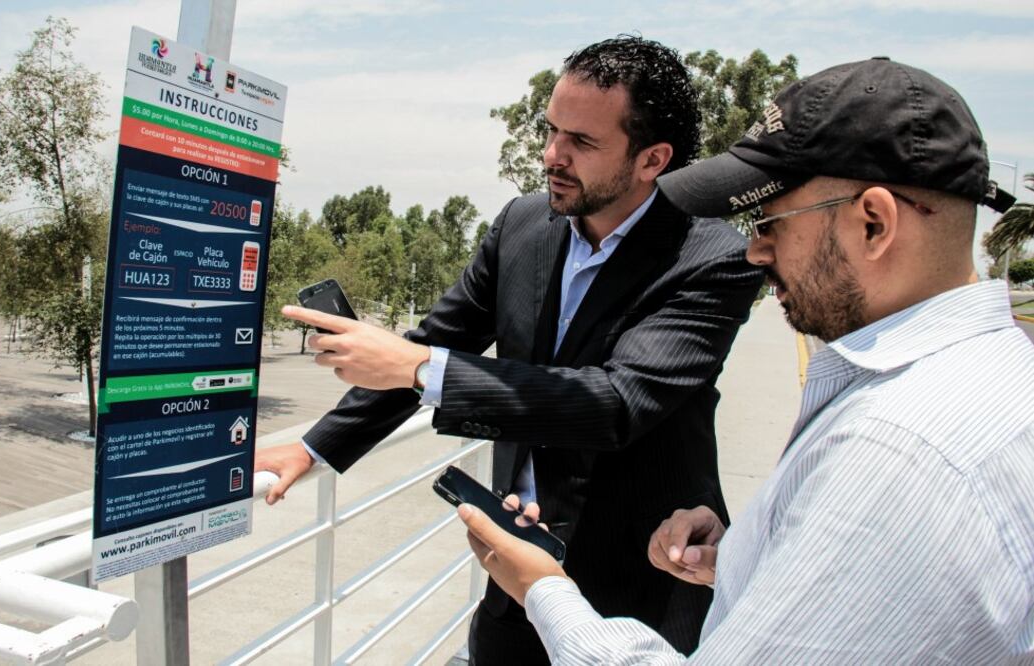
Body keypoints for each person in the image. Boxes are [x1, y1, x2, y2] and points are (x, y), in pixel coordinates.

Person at [457, 57, 1034, 664]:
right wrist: (745, 559)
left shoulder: (900, 451)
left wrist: (543, 588)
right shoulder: (994, 377)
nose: (756, 251)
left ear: (873, 224)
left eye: (771, 221)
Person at [256, 35, 763, 663]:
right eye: (551, 131)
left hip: (640, 583)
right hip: (511, 575)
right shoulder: (522, 225)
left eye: (582, 142)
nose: (552, 155)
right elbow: (440, 339)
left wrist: (418, 368)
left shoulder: (713, 259)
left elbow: (616, 403)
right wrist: (314, 448)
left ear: (651, 159)